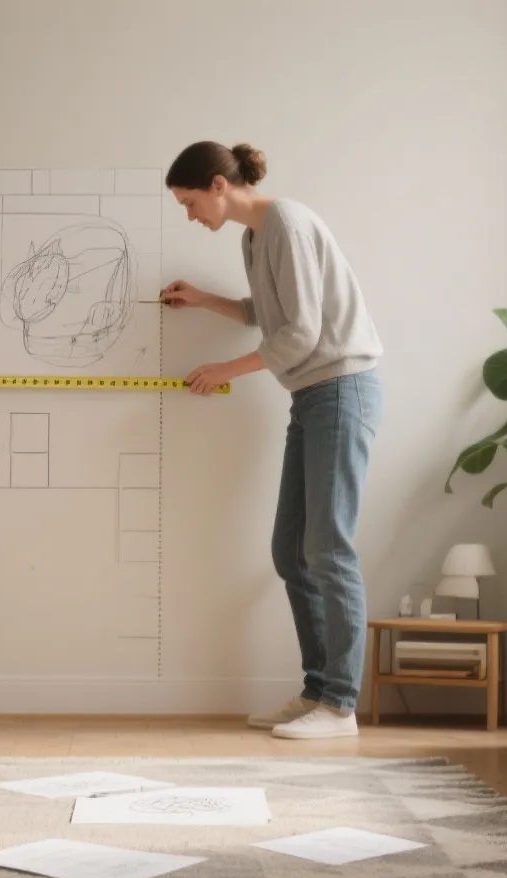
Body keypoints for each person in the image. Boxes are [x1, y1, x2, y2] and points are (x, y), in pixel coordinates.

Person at [160, 142, 383, 740]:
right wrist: (203, 300)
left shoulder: (287, 220)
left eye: (189, 203)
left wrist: (225, 371)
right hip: (311, 397)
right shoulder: (253, 238)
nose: (190, 216)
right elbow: (266, 312)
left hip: (341, 389)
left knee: (329, 548)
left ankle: (340, 705)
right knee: (291, 551)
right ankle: (317, 690)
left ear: (218, 185)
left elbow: (304, 332)